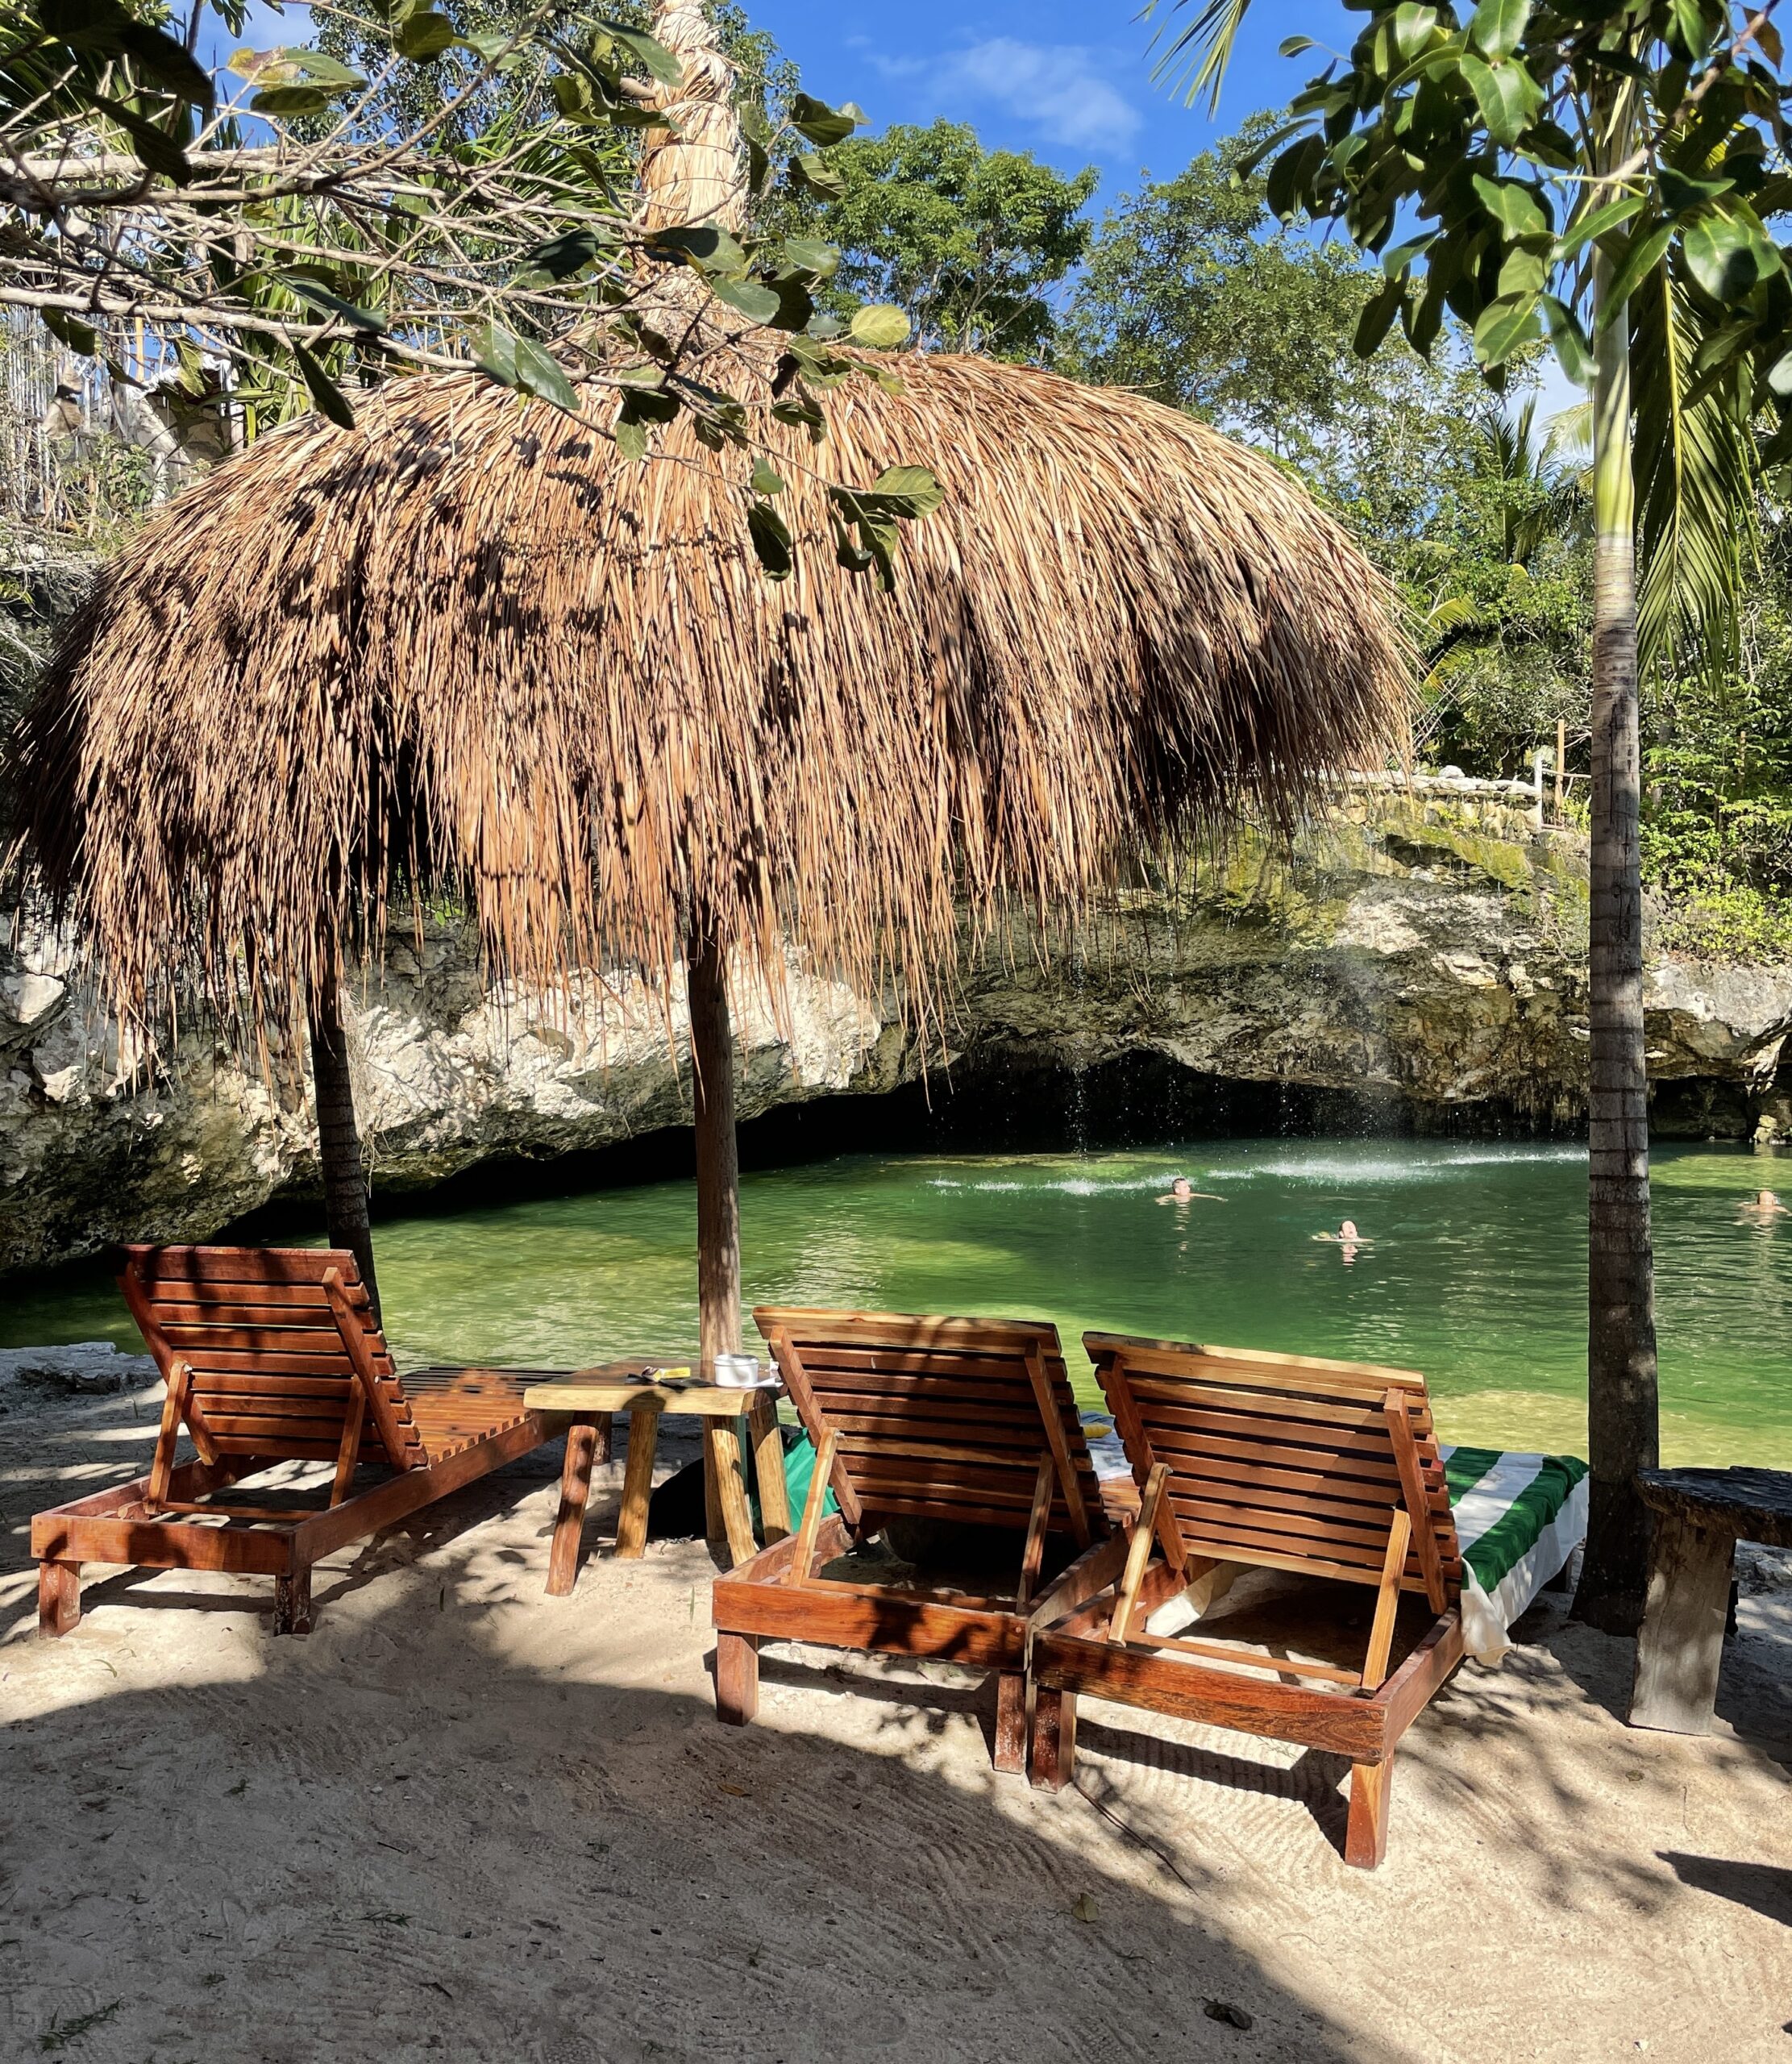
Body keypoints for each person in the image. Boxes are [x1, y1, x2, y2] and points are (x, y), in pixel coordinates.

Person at [1156, 1176, 1223, 1205]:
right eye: (1185, 1187)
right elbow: (1159, 1199)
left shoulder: (1190, 1195)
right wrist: (1161, 1202)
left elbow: (1204, 1196)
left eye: (1188, 1186)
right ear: (1177, 1191)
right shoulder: (1174, 1197)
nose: (1189, 1188)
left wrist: (1217, 1197)